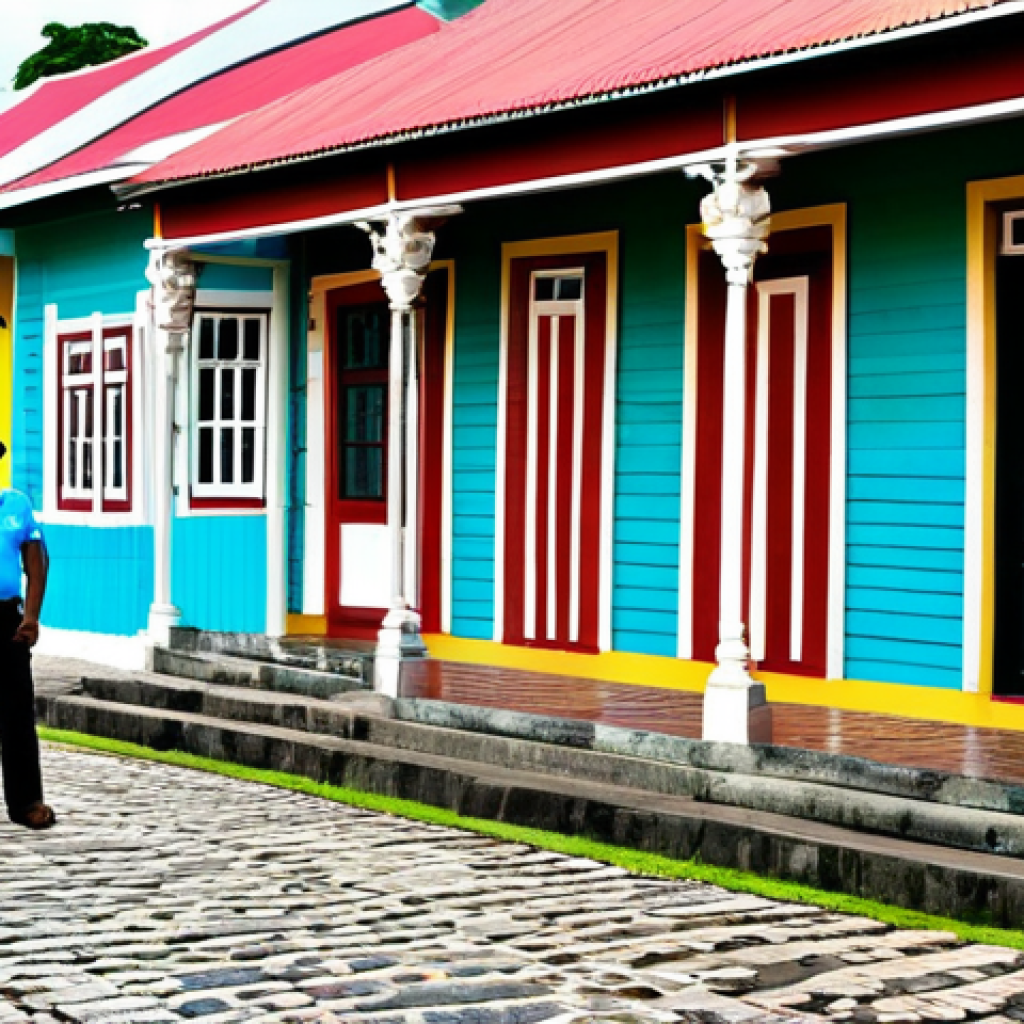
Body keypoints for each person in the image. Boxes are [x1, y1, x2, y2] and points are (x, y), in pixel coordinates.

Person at [0, 441, 55, 829]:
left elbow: (36, 562)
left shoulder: (16, 506)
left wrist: (31, 618)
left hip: (7, 619)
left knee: (17, 711)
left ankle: (26, 803)